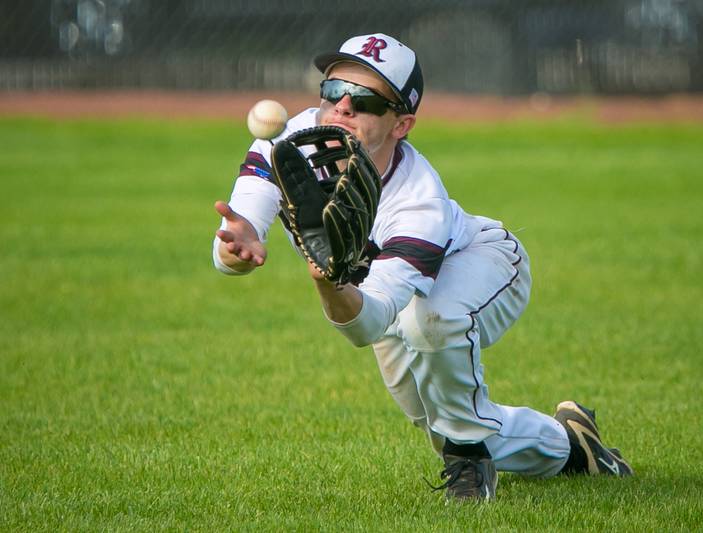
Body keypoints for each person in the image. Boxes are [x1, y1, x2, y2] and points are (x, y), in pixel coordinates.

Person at [212, 33, 632, 501]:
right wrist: (237, 248)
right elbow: (236, 238)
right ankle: (572, 447)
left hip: (483, 259)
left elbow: (366, 326)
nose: (343, 107)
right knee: (440, 423)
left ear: (402, 123)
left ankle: (470, 464)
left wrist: (328, 281)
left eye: (367, 100)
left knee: (430, 322)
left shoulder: (418, 202)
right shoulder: (286, 141)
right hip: (389, 295)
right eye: (333, 91)